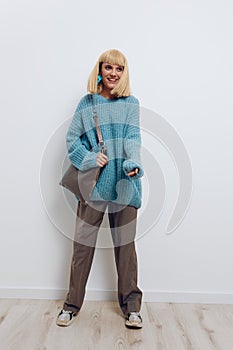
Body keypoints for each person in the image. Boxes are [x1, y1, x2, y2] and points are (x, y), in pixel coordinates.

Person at [56, 49, 144, 329]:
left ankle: (131, 308)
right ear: (100, 69)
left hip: (125, 183)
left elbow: (133, 137)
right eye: (109, 68)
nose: (113, 74)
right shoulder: (87, 103)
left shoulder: (131, 103)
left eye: (119, 69)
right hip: (94, 185)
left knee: (126, 249)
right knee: (82, 247)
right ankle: (71, 306)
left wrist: (132, 163)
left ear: (124, 73)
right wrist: (91, 159)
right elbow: (72, 141)